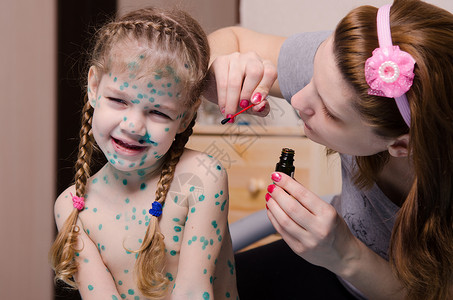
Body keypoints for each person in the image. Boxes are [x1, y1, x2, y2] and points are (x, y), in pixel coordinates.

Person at [206, 0, 453, 299]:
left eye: (330, 112)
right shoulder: (348, 67)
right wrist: (222, 69)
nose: (296, 101)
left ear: (401, 144)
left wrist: (347, 255)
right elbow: (234, 40)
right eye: (311, 76)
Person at [49, 7, 238, 300]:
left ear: (185, 118)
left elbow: (192, 291)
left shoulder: (200, 178)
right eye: (118, 100)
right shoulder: (73, 207)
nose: (134, 126)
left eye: (158, 112)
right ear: (94, 86)